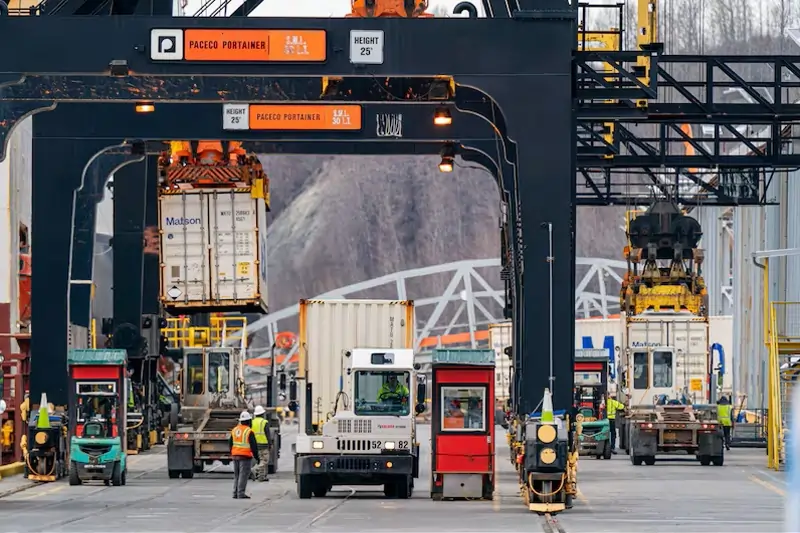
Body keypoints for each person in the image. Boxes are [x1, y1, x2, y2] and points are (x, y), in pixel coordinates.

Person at [229, 410, 259, 499]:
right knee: (243, 475)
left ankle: (235, 493)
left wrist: (233, 452)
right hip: (245, 456)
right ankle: (240, 493)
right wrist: (257, 457)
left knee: (237, 475)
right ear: (249, 421)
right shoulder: (249, 431)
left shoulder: (234, 430)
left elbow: (230, 443)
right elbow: (254, 446)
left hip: (235, 455)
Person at [250, 405, 271, 482]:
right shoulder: (264, 422)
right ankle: (254, 470)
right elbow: (267, 434)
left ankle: (261, 477)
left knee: (260, 460)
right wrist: (270, 444)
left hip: (255, 444)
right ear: (262, 414)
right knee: (264, 460)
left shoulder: (252, 422)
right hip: (263, 444)